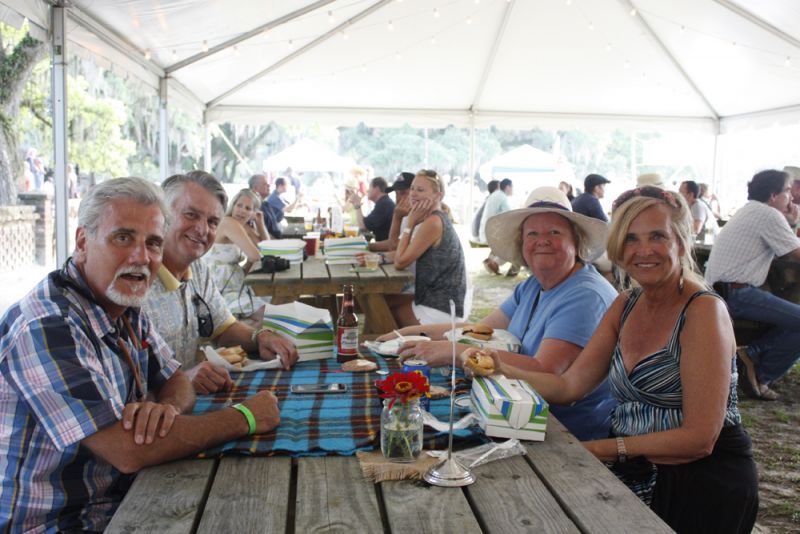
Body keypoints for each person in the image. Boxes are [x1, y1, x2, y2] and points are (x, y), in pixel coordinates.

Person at [0, 177, 282, 532]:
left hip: (124, 498)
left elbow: (176, 378)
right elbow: (128, 450)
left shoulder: (124, 307)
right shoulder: (48, 326)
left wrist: (167, 410)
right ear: (83, 241)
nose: (141, 256)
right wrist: (245, 417)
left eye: (152, 243)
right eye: (123, 238)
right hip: (59, 522)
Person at [471, 186, 758, 533]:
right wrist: (502, 368)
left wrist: (601, 449)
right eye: (631, 239)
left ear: (680, 243)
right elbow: (568, 386)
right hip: (633, 470)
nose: (644, 250)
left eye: (657, 236)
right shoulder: (626, 305)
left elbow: (699, 439)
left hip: (701, 483)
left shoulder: (703, 311)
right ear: (619, 249)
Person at [385, 186, 618, 440]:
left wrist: (451, 352)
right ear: (522, 244)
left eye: (554, 232)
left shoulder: (585, 295)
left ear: (576, 241)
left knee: (414, 429)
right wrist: (403, 333)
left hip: (561, 433)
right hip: (513, 410)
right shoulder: (533, 285)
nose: (542, 240)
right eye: (532, 233)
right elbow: (478, 329)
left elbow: (546, 371)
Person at [144, 171, 299, 395]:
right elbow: (124, 377)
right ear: (161, 215)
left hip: (188, 400)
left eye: (212, 221)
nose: (202, 229)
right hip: (152, 415)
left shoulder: (197, 268)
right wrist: (181, 380)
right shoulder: (136, 279)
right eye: (191, 215)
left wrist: (260, 337)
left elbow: (223, 326)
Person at [705, 169, 800, 401]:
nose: (792, 198)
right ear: (773, 195)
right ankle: (759, 372)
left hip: (724, 291)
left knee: (792, 319)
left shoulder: (752, 211)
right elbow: (796, 252)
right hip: (735, 293)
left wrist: (793, 221)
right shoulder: (768, 214)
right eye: (788, 191)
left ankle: (752, 357)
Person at [391, 169, 467, 325]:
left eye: (420, 190)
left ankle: (379, 345)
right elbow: (399, 253)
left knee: (383, 309)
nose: (413, 194)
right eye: (412, 188)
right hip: (433, 300)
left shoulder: (433, 222)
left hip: (440, 309)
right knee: (384, 302)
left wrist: (410, 223)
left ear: (438, 196)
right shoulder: (434, 219)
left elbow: (400, 261)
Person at [206, 188, 269, 315]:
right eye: (239, 205)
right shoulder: (229, 222)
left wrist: (260, 223)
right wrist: (249, 264)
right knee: (265, 310)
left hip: (234, 285)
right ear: (232, 206)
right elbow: (256, 256)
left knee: (268, 300)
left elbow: (267, 247)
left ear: (253, 213)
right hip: (218, 289)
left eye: (248, 208)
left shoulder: (243, 226)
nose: (242, 210)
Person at [481, 178, 519, 276]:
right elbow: (510, 216)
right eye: (512, 187)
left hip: (486, 231)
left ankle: (492, 260)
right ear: (507, 187)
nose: (513, 190)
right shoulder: (503, 197)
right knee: (516, 242)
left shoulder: (494, 195)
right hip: (493, 232)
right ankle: (496, 263)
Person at [347, 176, 395, 241]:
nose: (367, 190)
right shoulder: (384, 202)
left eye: (369, 187)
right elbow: (366, 224)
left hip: (385, 248)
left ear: (376, 188)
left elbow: (363, 227)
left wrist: (357, 204)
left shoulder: (384, 205)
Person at [249, 173, 283, 238]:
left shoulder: (266, 204)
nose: (269, 185)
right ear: (256, 188)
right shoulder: (252, 207)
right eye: (265, 184)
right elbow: (258, 233)